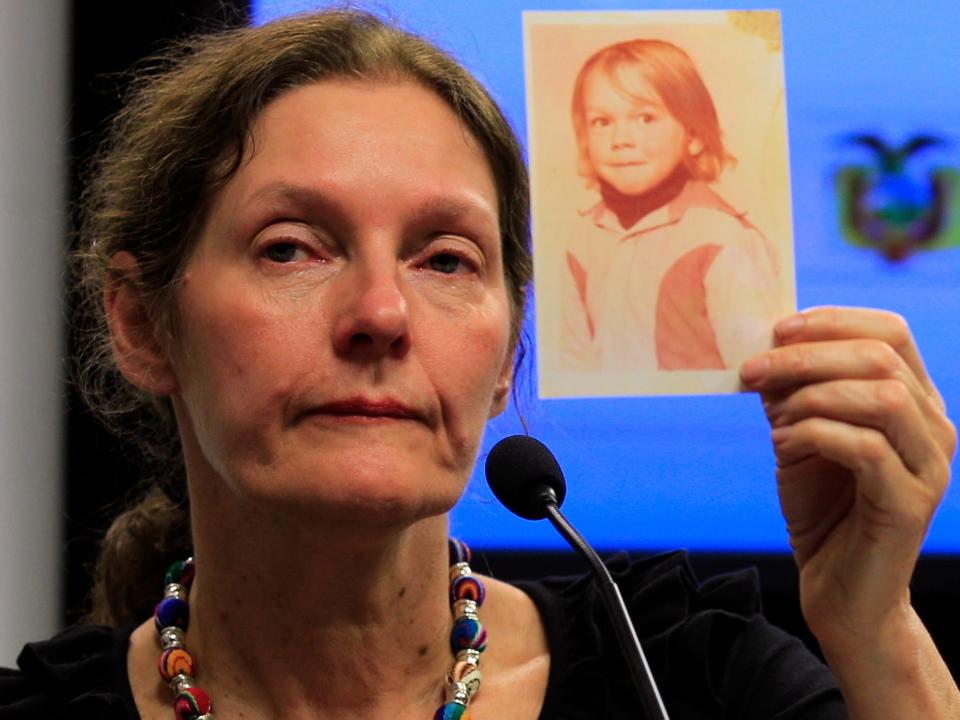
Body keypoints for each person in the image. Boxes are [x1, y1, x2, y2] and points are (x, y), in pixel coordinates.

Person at [2, 9, 958, 719]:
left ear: (506, 358)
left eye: (446, 260)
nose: (381, 314)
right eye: (292, 247)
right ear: (141, 323)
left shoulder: (689, 676)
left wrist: (872, 625)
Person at [561, 39, 782, 373]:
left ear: (692, 135)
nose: (622, 139)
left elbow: (757, 371)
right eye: (602, 122)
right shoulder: (583, 237)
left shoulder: (721, 238)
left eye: (645, 118)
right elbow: (573, 362)